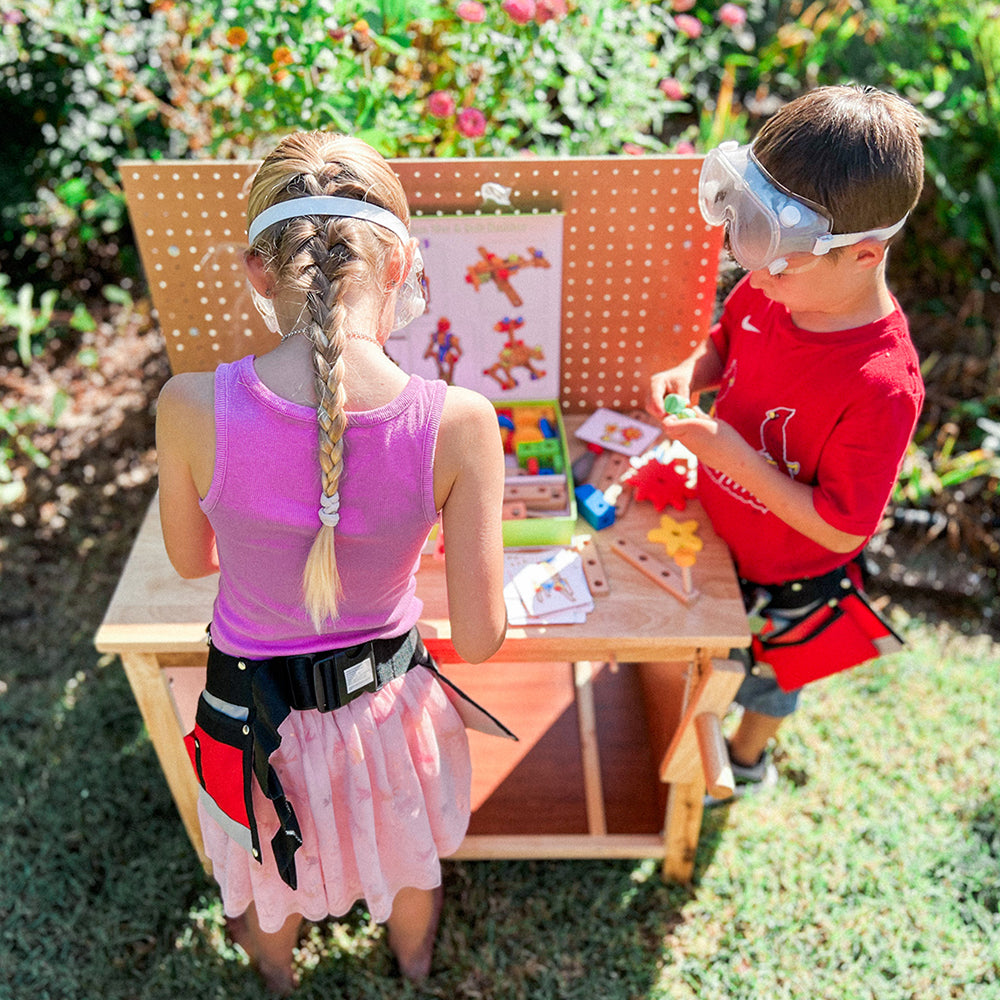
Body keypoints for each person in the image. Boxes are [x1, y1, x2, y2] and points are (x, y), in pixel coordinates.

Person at [155, 131, 508, 994]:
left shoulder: (190, 404)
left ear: (257, 269)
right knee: (408, 853)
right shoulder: (460, 419)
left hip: (248, 719)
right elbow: (482, 636)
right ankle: (414, 964)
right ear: (400, 267)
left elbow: (190, 560)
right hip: (387, 711)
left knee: (266, 878)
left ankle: (277, 979)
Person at [648, 86, 926, 796]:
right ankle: (693, 726)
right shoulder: (773, 289)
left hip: (793, 570)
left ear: (864, 256)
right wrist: (691, 371)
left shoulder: (881, 385)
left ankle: (749, 755)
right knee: (713, 657)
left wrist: (731, 456)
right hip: (719, 531)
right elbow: (722, 341)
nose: (754, 273)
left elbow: (841, 529)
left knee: (773, 676)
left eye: (778, 259)